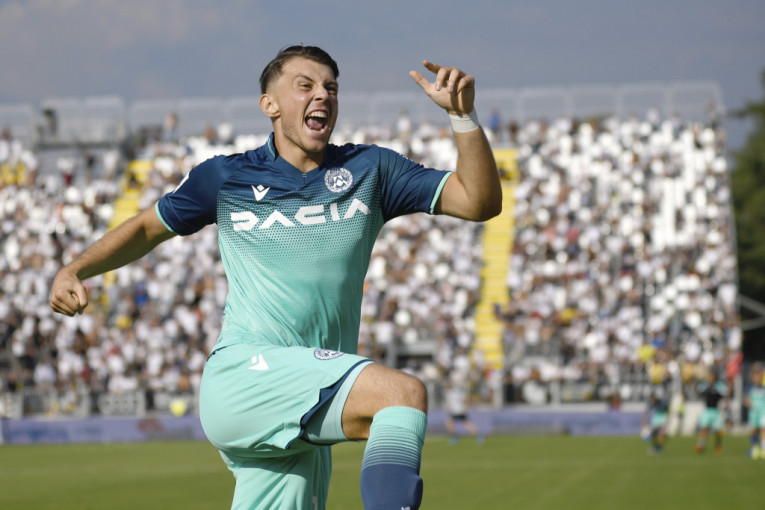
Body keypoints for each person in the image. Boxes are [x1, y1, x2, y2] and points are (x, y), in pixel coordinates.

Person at [49, 45, 501, 510]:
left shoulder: (371, 170)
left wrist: (462, 118)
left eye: (330, 87)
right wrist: (75, 268)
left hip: (305, 396)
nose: (321, 95)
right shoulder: (226, 177)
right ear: (270, 104)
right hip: (246, 378)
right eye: (305, 86)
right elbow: (148, 227)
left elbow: (478, 202)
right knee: (399, 396)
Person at [443, 371, 484, 445]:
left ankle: (455, 437)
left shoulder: (454, 392)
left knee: (450, 423)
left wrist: (466, 407)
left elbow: (465, 399)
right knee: (466, 424)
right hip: (457, 410)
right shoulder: (450, 392)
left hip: (457, 411)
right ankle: (478, 435)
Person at [694, 370, 728, 455]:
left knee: (718, 430)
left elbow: (725, 393)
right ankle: (701, 444)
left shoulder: (719, 386)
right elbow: (698, 391)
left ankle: (718, 446)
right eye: (709, 376)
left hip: (716, 410)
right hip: (707, 410)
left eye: (711, 376)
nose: (710, 378)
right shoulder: (705, 386)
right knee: (704, 428)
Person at [744, 362, 765, 459]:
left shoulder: (763, 387)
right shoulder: (750, 387)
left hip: (763, 412)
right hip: (753, 413)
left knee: (763, 428)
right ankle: (755, 448)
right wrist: (749, 404)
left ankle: (763, 448)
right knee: (754, 431)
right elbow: (746, 399)